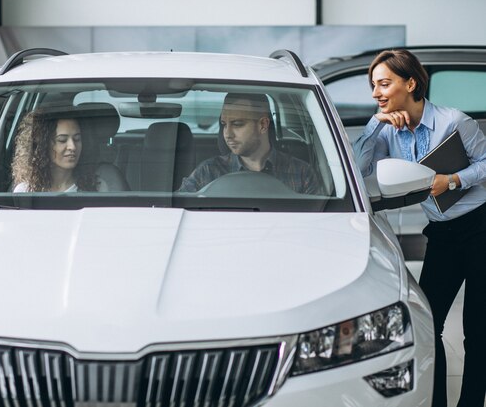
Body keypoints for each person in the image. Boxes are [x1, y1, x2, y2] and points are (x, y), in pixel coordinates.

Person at [352, 49, 486, 407]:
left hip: (480, 229)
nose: (376, 93)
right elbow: (356, 168)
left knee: (478, 329)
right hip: (442, 234)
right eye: (373, 85)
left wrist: (454, 180)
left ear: (410, 83)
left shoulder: (453, 122)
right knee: (428, 325)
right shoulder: (386, 131)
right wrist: (376, 122)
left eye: (384, 84)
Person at [178, 93, 322, 194]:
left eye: (237, 124)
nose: (227, 134)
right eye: (223, 124)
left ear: (263, 125)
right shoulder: (208, 172)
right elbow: (175, 211)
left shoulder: (302, 174)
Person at [11, 108, 105, 192]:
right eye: (62, 140)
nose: (72, 147)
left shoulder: (97, 187)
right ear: (42, 145)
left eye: (77, 139)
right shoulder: (25, 191)